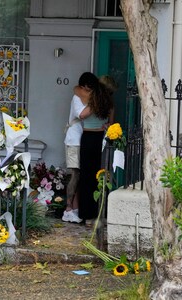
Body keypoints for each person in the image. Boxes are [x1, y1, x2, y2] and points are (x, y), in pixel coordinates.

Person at [75, 72, 114, 225]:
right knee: (97, 175)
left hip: (88, 137)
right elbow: (111, 123)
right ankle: (97, 213)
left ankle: (86, 214)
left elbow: (82, 115)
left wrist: (92, 104)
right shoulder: (108, 103)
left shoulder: (94, 100)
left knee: (86, 176)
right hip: (100, 139)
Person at [61, 75, 89, 223]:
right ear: (83, 87)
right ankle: (68, 208)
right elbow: (82, 114)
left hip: (81, 138)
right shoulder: (77, 98)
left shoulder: (82, 95)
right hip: (74, 139)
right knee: (74, 174)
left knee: (79, 173)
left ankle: (76, 208)